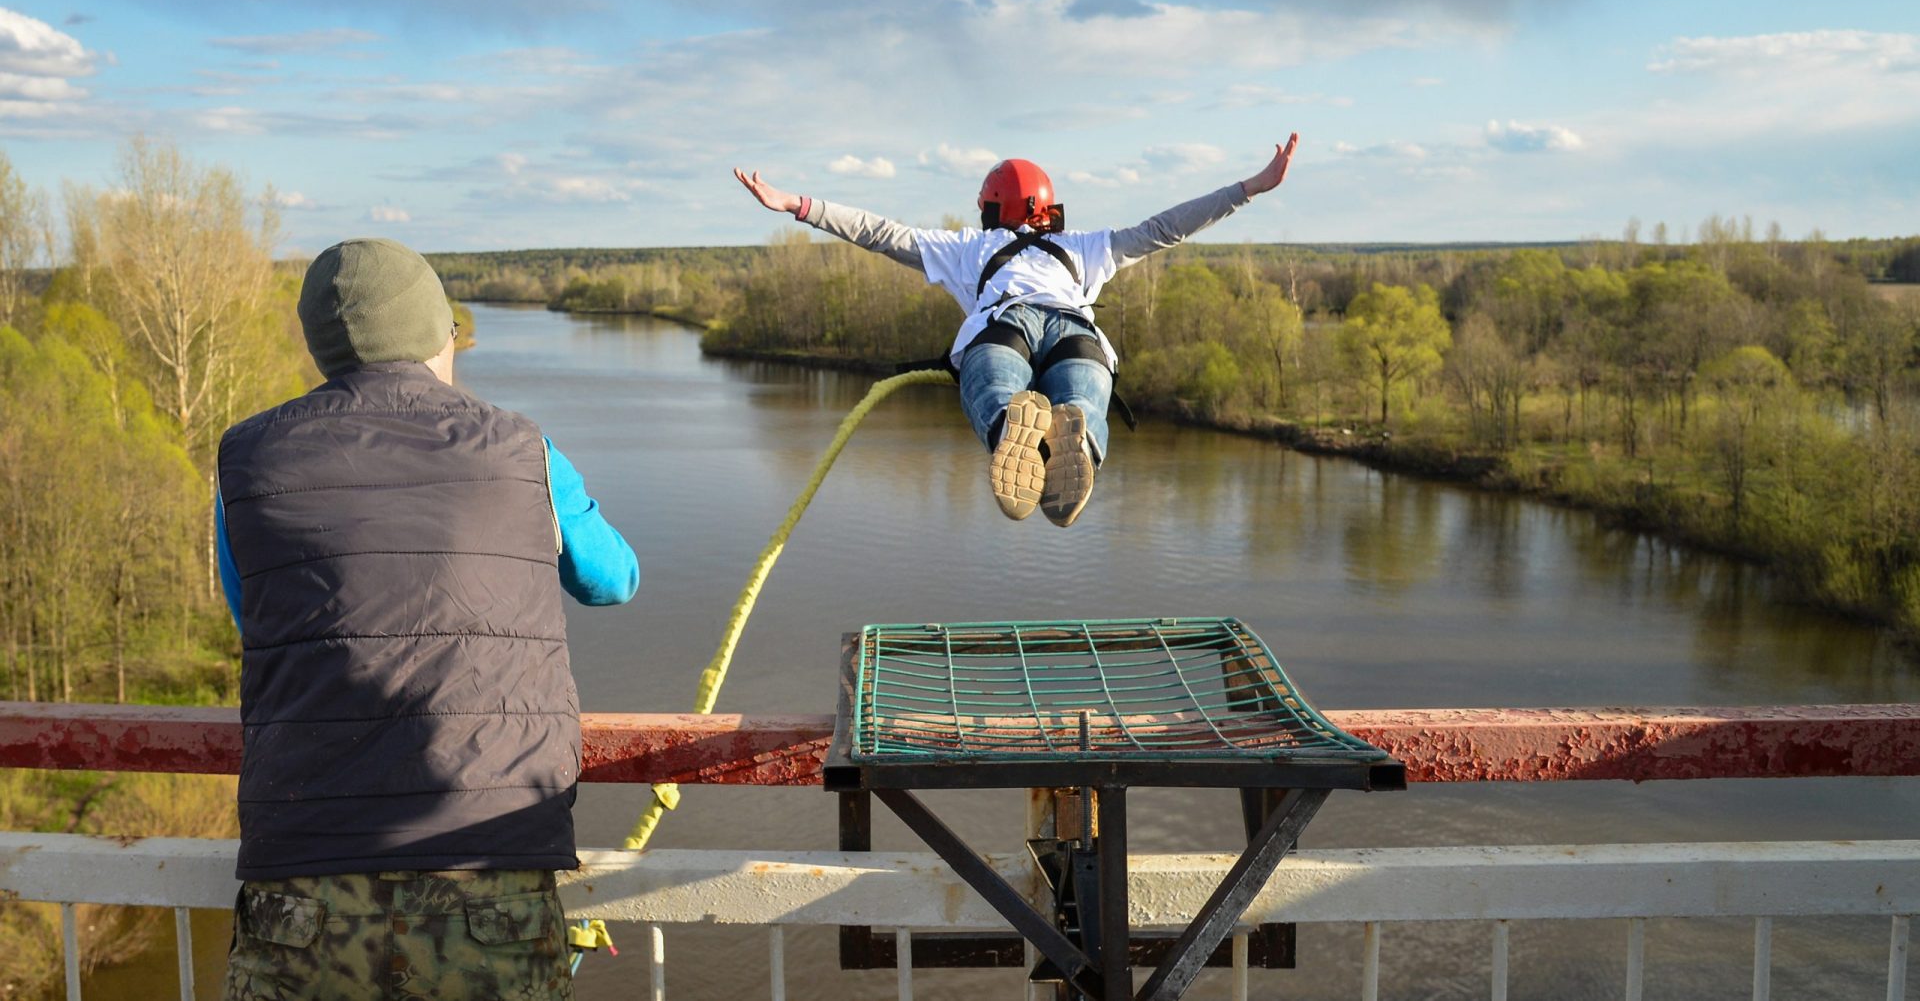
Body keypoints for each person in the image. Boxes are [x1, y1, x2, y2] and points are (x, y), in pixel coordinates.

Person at [214, 237, 639, 1001]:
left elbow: (260, 612)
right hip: (488, 864)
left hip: (303, 878)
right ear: (444, 335)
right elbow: (612, 580)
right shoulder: (523, 449)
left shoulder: (247, 459)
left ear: (323, 349)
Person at [734, 134, 1299, 527]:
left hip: (1003, 324)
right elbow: (1164, 228)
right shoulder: (1085, 245)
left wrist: (796, 205)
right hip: (1077, 334)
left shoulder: (970, 248)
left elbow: (878, 232)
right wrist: (1248, 187)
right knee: (1083, 396)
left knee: (992, 388)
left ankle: (1012, 426)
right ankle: (1079, 443)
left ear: (990, 210)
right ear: (1047, 208)